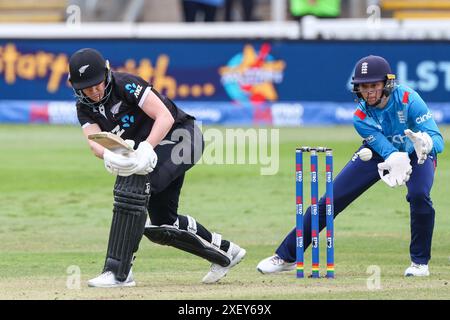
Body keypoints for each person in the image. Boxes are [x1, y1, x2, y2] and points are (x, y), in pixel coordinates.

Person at [68, 48, 246, 287]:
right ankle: (226, 252)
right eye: (88, 89)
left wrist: (146, 148)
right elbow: (95, 142)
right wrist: (112, 157)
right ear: (74, 85)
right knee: (164, 224)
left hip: (182, 137)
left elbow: (164, 117)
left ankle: (118, 272)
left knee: (134, 184)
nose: (95, 92)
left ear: (107, 72)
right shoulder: (84, 108)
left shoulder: (127, 85)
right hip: (152, 151)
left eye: (98, 84)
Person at [257, 55, 444, 277]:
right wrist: (394, 157)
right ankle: (286, 256)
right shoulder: (360, 117)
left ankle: (419, 263)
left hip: (418, 152)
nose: (369, 92)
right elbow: (386, 151)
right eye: (364, 86)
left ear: (387, 83)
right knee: (331, 200)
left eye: (374, 85)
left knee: (419, 195)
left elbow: (438, 141)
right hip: (378, 152)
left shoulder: (409, 99)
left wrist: (425, 142)